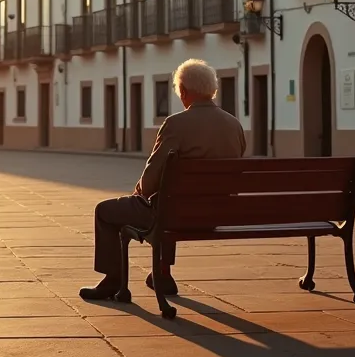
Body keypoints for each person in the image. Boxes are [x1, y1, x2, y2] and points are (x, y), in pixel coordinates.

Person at [78, 59, 247, 302]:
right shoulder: (234, 125)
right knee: (171, 201)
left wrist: (139, 193)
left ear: (185, 92)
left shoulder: (176, 124)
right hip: (216, 214)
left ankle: (113, 280)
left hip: (176, 213)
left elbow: (151, 180)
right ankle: (162, 274)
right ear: (212, 91)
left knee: (107, 210)